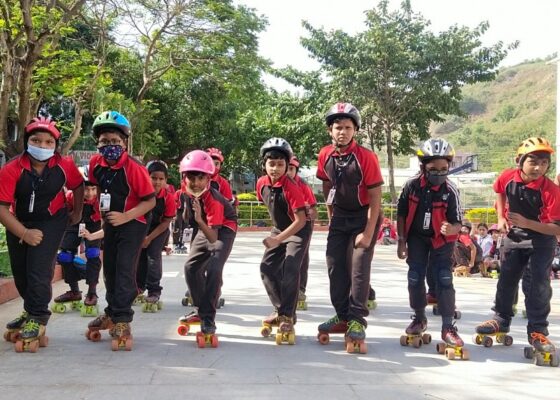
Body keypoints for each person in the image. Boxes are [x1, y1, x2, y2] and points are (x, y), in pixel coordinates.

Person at [0, 116, 84, 348]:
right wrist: (24, 233)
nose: (43, 146)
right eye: (36, 140)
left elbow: (78, 185)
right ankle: (30, 311)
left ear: (55, 146)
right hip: (19, 221)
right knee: (21, 271)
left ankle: (38, 317)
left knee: (38, 267)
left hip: (51, 220)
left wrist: (77, 212)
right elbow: (1, 208)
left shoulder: (64, 164)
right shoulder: (11, 168)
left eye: (49, 142)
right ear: (27, 142)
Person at [475, 137, 560, 354]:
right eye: (533, 161)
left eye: (544, 163)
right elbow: (499, 190)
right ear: (519, 161)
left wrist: (527, 223)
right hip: (514, 237)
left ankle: (538, 331)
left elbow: (557, 229)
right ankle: (500, 319)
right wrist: (501, 218)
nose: (538, 167)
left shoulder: (551, 190)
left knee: (538, 284)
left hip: (541, 240)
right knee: (506, 280)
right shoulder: (507, 177)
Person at [85, 111, 155, 349]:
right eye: (104, 141)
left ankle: (123, 319)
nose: (110, 146)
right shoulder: (96, 164)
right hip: (111, 223)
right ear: (97, 143)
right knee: (111, 270)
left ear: (124, 142)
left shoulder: (134, 167)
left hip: (133, 223)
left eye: (115, 141)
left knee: (125, 269)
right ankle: (111, 312)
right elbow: (94, 187)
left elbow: (150, 201)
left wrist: (125, 216)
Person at [316, 103, 382, 348]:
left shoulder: (365, 157)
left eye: (347, 127)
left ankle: (356, 319)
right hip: (340, 217)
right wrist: (331, 215)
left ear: (355, 130)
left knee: (358, 267)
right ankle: (342, 315)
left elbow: (376, 196)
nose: (342, 132)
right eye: (337, 127)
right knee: (335, 266)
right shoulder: (325, 155)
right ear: (330, 131)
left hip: (364, 216)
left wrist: (367, 232)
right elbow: (325, 185)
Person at [396, 137, 465, 349]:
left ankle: (447, 327)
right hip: (417, 238)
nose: (439, 173)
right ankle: (419, 318)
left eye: (444, 168)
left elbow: (458, 221)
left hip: (441, 241)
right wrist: (401, 241)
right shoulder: (412, 186)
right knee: (415, 277)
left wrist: (452, 228)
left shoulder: (450, 191)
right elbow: (401, 213)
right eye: (433, 169)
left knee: (444, 279)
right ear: (423, 167)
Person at [177, 150, 237, 339]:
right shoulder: (185, 194)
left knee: (213, 269)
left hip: (223, 230)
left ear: (209, 178)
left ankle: (208, 318)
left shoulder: (214, 199)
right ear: (184, 178)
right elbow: (188, 220)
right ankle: (199, 309)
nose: (195, 183)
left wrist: (199, 219)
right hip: (206, 228)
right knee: (190, 267)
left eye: (200, 178)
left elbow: (213, 238)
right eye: (191, 178)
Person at [257, 138, 310, 342]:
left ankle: (287, 315)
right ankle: (282, 310)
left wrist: (278, 239)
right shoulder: (261, 184)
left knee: (290, 269)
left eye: (280, 164)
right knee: (267, 268)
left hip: (298, 231)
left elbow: (300, 220)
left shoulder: (291, 187)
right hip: (278, 230)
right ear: (264, 165)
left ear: (288, 166)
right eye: (272, 164)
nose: (276, 169)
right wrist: (276, 236)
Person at [52, 166, 103, 316]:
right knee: (64, 256)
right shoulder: (71, 196)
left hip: (94, 225)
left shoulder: (102, 199)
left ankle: (92, 292)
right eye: (86, 189)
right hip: (75, 223)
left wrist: (92, 235)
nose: (90, 193)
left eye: (93, 189)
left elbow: (107, 224)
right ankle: (75, 291)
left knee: (92, 253)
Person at [136, 160, 176, 311]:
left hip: (159, 230)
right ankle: (139, 287)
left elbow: (166, 222)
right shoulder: (139, 194)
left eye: (161, 179)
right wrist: (141, 237)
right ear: (147, 177)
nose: (157, 182)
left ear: (166, 180)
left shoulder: (169, 198)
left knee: (153, 256)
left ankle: (154, 290)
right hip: (141, 229)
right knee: (139, 257)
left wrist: (149, 238)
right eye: (154, 178)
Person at [287, 155, 317, 309]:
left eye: (291, 169)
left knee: (301, 257)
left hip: (303, 225)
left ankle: (300, 290)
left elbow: (313, 208)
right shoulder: (278, 184)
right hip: (286, 226)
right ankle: (286, 290)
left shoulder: (303, 185)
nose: (288, 172)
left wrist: (307, 215)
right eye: (287, 168)